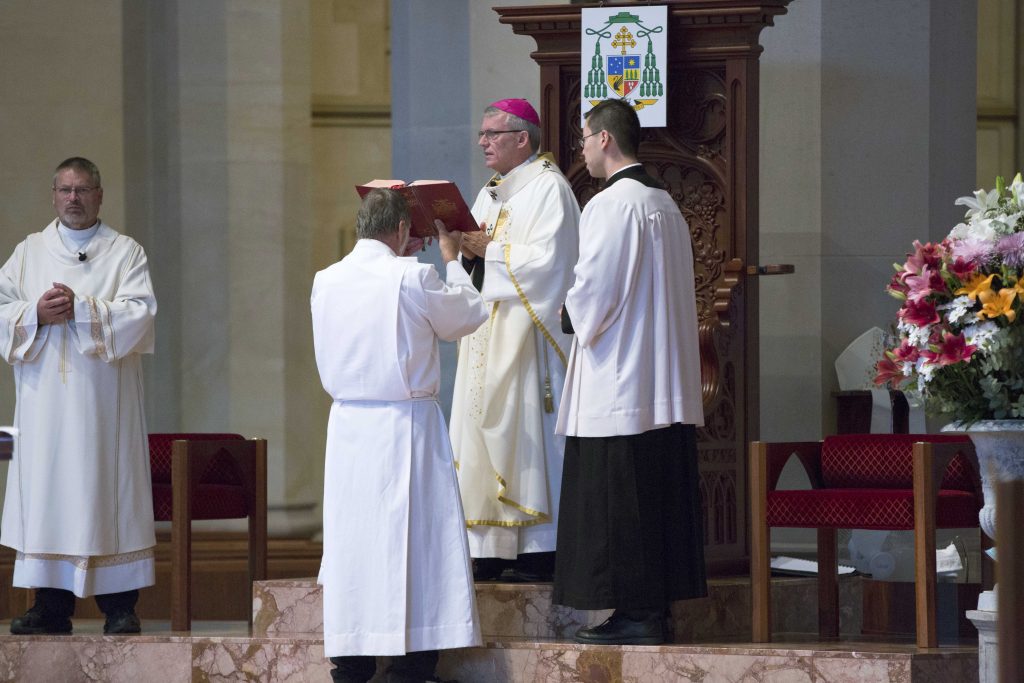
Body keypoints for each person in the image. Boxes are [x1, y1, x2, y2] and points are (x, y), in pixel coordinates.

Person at [312, 188, 486, 683]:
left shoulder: (326, 279)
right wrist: (451, 260)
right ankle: (413, 664)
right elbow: (467, 315)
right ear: (404, 230)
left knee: (356, 543)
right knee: (417, 540)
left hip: (348, 427)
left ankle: (351, 662)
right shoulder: (414, 274)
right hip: (406, 424)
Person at [552, 99, 707, 645]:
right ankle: (652, 609)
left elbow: (595, 288)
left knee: (620, 501)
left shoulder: (612, 205)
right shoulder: (664, 203)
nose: (581, 148)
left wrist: (568, 311)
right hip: (658, 378)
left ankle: (636, 614)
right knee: (655, 494)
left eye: (584, 138)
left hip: (620, 379)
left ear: (604, 140)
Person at [0, 156, 158, 635]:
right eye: (65, 190)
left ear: (99, 195)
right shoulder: (29, 253)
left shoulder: (125, 252)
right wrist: (34, 314)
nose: (74, 198)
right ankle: (49, 607)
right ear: (53, 195)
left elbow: (141, 313)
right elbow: (3, 309)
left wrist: (83, 309)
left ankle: (120, 607)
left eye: (83, 190)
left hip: (103, 404)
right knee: (48, 493)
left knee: (109, 489)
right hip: (44, 403)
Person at [450, 98, 580, 582]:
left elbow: (552, 263)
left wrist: (490, 249)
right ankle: (487, 548)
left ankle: (536, 550)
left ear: (522, 139)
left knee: (525, 440)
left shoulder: (551, 190)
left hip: (527, 336)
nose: (482, 141)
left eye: (492, 134)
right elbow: (477, 257)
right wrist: (463, 251)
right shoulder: (491, 192)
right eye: (482, 134)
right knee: (480, 430)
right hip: (487, 329)